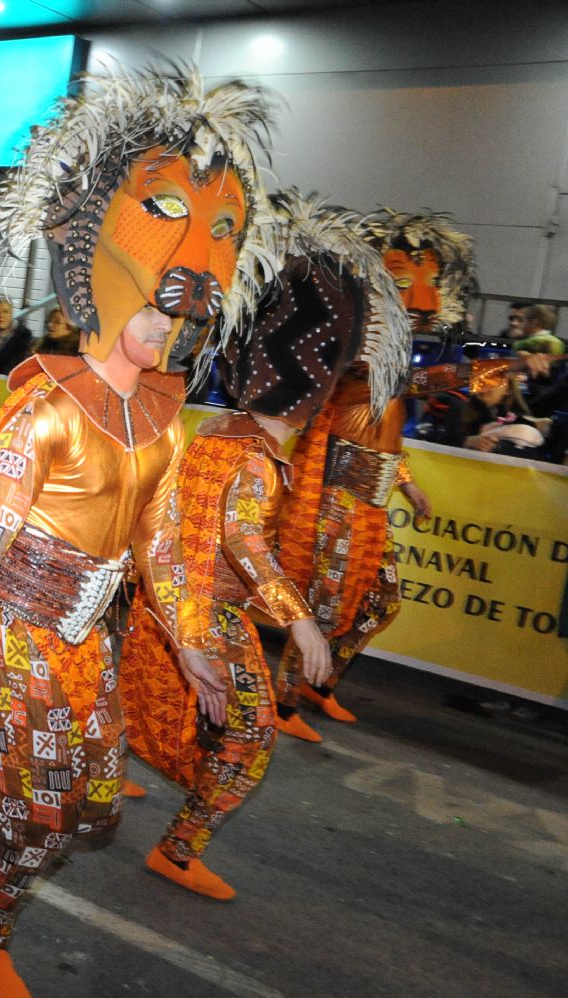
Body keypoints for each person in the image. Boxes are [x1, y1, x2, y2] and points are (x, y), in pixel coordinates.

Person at [0, 66, 275, 998]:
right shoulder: (43, 410)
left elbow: (159, 548)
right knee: (37, 817)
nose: (172, 329)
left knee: (93, 803)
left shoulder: (164, 418)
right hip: (10, 635)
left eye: (184, 316)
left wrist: (193, 643)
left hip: (89, 643)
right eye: (160, 308)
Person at [119, 192, 411, 900]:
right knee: (247, 740)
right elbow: (243, 535)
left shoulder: (220, 429)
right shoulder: (256, 456)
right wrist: (300, 617)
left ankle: (109, 777)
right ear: (313, 397)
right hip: (203, 616)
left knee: (150, 707)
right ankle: (176, 852)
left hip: (166, 603)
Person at [274, 209, 546, 737]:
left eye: (427, 285)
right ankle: (284, 705)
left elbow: (388, 434)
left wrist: (407, 483)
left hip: (372, 505)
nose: (421, 301)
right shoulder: (354, 358)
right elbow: (427, 380)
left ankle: (320, 684)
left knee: (382, 602)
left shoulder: (388, 365)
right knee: (324, 611)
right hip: (339, 505)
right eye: (400, 283)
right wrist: (505, 365)